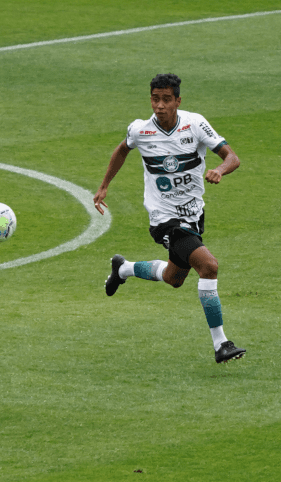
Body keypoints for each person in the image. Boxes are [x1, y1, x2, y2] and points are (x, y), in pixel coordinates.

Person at [93, 73, 246, 364]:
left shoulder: (195, 124)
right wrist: (104, 186)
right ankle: (221, 344)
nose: (159, 105)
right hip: (163, 218)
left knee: (174, 278)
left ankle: (123, 269)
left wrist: (220, 170)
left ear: (177, 100)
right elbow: (121, 150)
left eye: (166, 99)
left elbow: (232, 157)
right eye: (154, 98)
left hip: (194, 215)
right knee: (209, 266)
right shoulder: (140, 130)